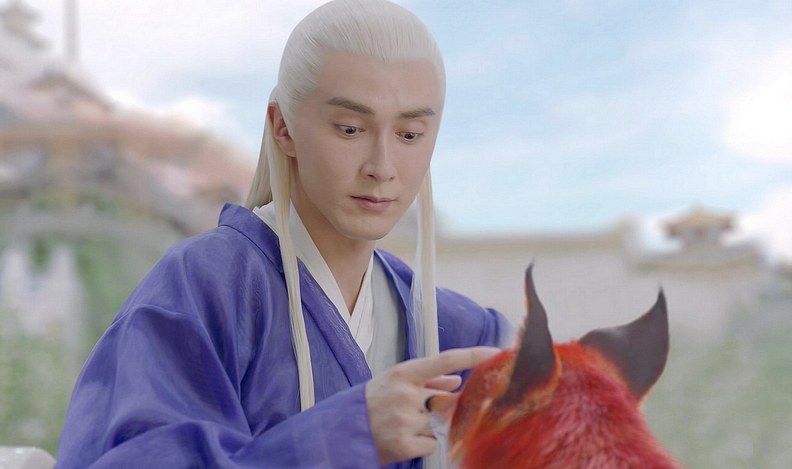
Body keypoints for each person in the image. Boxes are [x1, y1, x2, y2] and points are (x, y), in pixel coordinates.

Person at [55, 0, 513, 467]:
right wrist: (342, 435)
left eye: (410, 134)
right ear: (283, 128)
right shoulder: (203, 287)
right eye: (350, 129)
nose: (382, 167)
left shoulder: (462, 330)